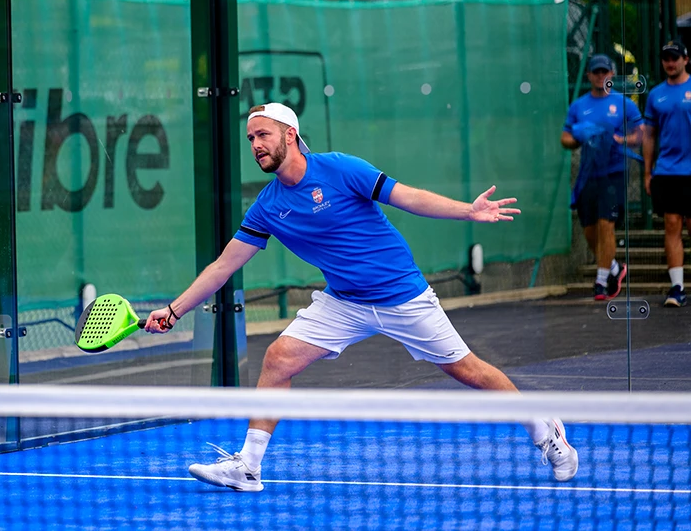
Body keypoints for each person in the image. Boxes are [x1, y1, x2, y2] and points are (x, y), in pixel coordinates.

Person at [144, 102, 578, 492]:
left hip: (403, 296)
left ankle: (546, 432)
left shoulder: (339, 168)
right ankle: (248, 468)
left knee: (472, 373)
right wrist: (173, 309)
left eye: (263, 134)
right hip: (344, 303)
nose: (256, 144)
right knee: (278, 358)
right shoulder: (266, 206)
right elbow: (223, 266)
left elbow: (408, 197)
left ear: (290, 135)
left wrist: (467, 209)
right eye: (251, 138)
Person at [560, 54, 643, 301]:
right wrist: (582, 136)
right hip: (588, 175)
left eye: (605, 72)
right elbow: (565, 138)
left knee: (607, 224)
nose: (600, 76)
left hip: (614, 173)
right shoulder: (578, 106)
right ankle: (615, 268)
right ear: (589, 75)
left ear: (612, 74)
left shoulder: (625, 104)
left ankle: (601, 281)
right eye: (596, 72)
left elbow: (640, 136)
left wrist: (619, 140)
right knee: (589, 230)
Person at [643, 40, 691, 308]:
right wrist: (648, 172)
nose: (670, 63)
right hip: (668, 171)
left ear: (685, 59)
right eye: (666, 59)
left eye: (675, 58)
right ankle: (677, 288)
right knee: (671, 225)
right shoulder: (656, 95)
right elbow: (649, 135)